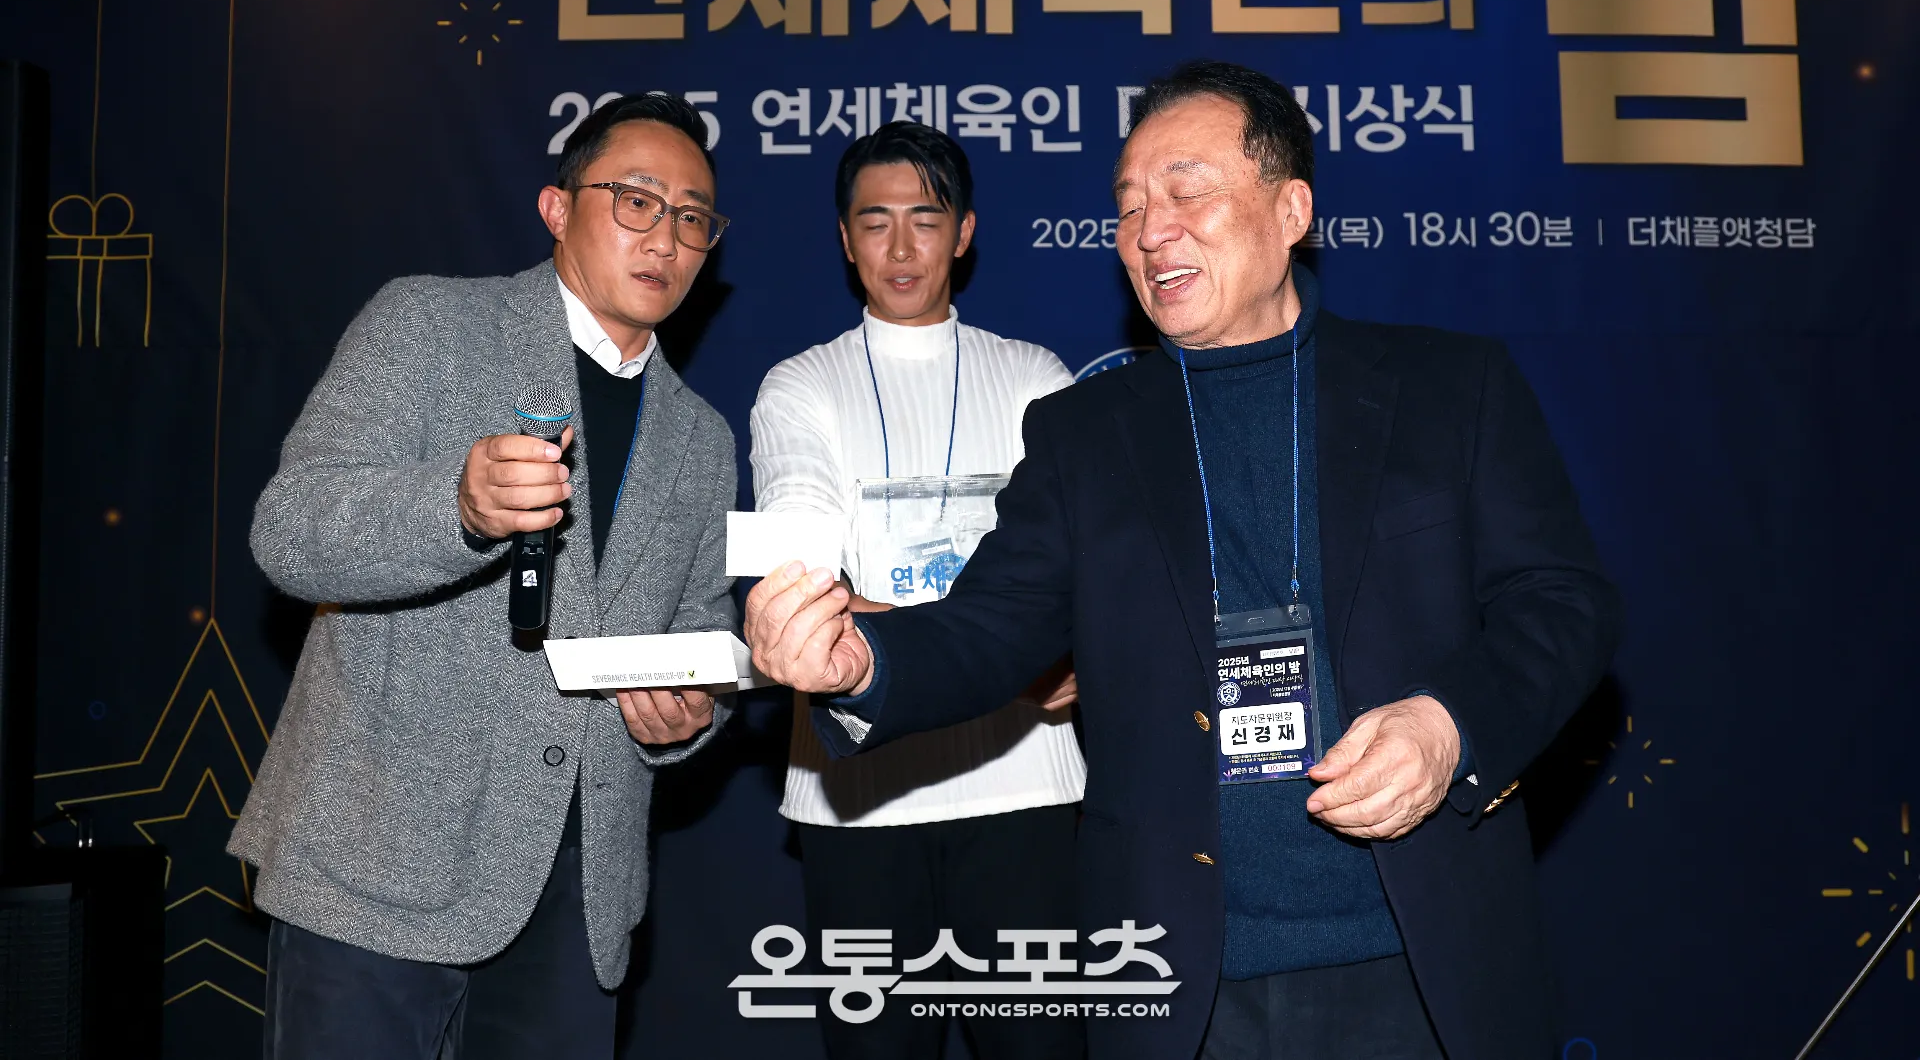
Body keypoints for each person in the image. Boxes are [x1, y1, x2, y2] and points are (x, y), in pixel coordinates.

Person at [745, 62, 1622, 1060]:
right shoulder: (1085, 432)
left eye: (1186, 192)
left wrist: (1446, 724)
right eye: (1128, 207)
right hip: (1181, 983)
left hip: (1422, 967)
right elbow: (990, 624)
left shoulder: (1448, 387)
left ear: (1291, 210)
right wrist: (860, 660)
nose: (1149, 231)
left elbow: (1563, 602)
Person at [230, 92, 740, 1059]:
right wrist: (456, 509)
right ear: (558, 207)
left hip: (577, 890)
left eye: (691, 217)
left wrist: (690, 713)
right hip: (378, 863)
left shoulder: (703, 438)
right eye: (636, 200)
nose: (665, 237)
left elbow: (699, 627)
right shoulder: (428, 322)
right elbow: (290, 530)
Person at [749, 121, 1087, 1060]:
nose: (901, 248)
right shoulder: (799, 385)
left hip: (1025, 789)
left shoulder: (1034, 376)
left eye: (926, 220)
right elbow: (803, 560)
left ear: (964, 232)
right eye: (875, 222)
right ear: (844, 237)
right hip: (857, 802)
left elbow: (1076, 568)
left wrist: (1060, 647)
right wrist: (1007, 645)